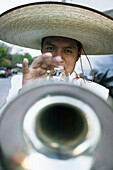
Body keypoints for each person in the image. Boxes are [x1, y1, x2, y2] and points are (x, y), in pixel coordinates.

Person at [0, 2, 113, 103]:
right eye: (50, 48)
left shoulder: (96, 93)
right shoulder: (19, 83)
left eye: (68, 51)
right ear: (42, 49)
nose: (58, 58)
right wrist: (26, 92)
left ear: (77, 56)